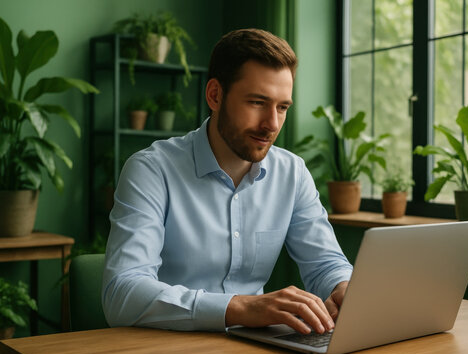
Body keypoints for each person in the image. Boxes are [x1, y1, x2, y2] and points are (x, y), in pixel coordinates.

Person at [102, 28, 353, 335]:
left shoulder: (292, 173)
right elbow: (122, 294)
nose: (272, 124)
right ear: (215, 95)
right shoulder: (151, 170)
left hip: (257, 348)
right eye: (257, 103)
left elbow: (326, 264)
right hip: (168, 347)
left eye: (282, 107)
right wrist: (241, 308)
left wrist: (344, 287)